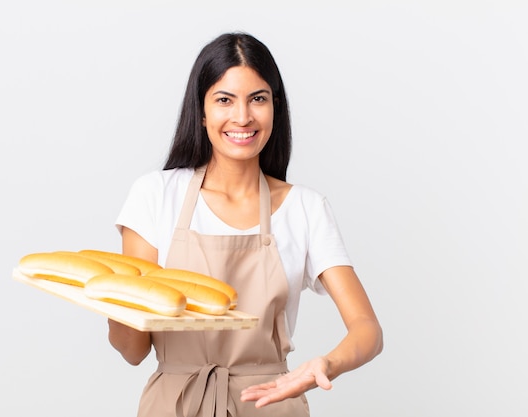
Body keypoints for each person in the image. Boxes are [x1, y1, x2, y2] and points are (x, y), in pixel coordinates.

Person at [109, 32, 383, 417]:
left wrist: (326, 364)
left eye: (258, 99)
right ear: (201, 112)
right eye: (224, 100)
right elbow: (133, 350)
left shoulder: (304, 208)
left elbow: (367, 329)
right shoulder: (155, 196)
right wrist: (114, 303)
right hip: (175, 405)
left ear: (275, 108)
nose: (243, 116)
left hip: (271, 402)